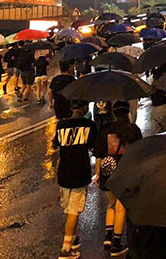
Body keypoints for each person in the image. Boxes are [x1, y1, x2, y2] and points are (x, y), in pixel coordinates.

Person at [95, 101, 142, 256]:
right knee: (121, 206)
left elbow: (99, 154)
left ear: (114, 113)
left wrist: (97, 173)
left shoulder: (105, 130)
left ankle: (108, 237)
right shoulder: (133, 130)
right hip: (125, 171)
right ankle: (116, 243)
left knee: (112, 204)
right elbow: (139, 152)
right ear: (127, 112)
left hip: (107, 172)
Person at [53, 99, 96, 258]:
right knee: (74, 211)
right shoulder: (89, 125)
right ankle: (66, 249)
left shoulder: (61, 125)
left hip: (64, 171)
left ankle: (73, 237)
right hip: (80, 172)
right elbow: (93, 147)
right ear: (85, 108)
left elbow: (56, 145)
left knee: (69, 209)